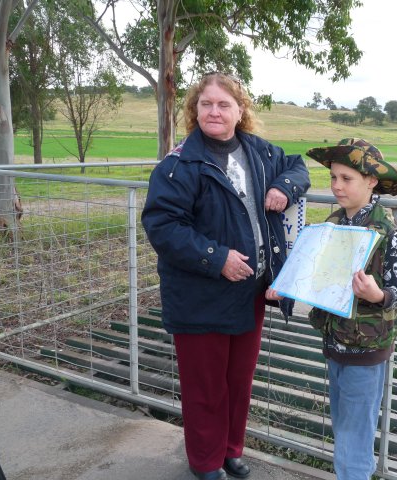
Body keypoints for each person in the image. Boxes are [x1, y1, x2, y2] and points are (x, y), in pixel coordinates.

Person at [141, 72, 310, 480]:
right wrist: (216, 258)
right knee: (205, 388)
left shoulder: (260, 152)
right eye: (206, 104)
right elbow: (162, 225)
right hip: (201, 295)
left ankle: (231, 450)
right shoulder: (179, 164)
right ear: (194, 110)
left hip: (249, 293)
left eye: (223, 104)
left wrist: (285, 186)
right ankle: (205, 462)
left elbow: (298, 166)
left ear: (240, 111)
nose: (214, 111)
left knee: (238, 382)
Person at [301, 138, 397, 480]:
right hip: (335, 343)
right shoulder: (334, 222)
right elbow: (320, 275)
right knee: (344, 424)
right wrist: (292, 285)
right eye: (333, 177)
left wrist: (378, 294)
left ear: (371, 181)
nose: (336, 186)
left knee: (356, 433)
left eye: (346, 179)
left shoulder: (385, 230)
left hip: (365, 349)